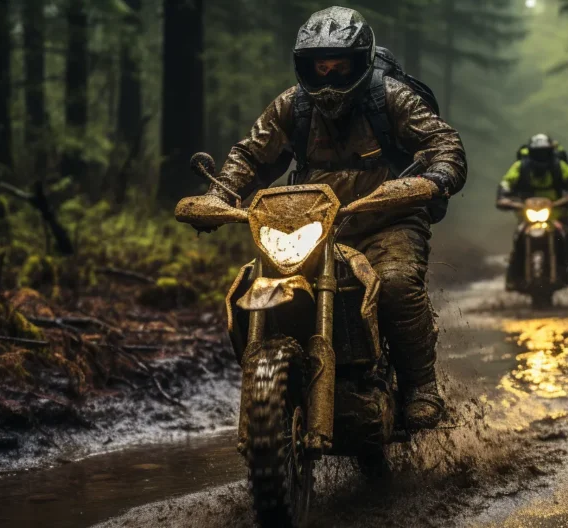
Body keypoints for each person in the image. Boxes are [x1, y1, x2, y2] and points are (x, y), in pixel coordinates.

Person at [195, 7, 467, 432]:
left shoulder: (390, 97)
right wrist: (219, 194)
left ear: (361, 62)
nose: (328, 79)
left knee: (394, 283)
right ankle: (274, 380)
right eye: (319, 68)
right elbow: (250, 154)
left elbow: (442, 140)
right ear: (304, 67)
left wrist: (436, 176)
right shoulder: (292, 105)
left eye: (340, 68)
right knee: (257, 285)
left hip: (387, 220)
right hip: (308, 226)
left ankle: (420, 386)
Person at [497, 133, 568, 287]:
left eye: (544, 152)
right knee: (518, 239)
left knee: (567, 237)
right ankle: (513, 276)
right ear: (530, 152)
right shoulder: (520, 167)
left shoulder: (559, 166)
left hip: (557, 216)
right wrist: (503, 197)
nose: (541, 156)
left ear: (550, 152)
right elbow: (506, 182)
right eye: (537, 153)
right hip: (527, 217)